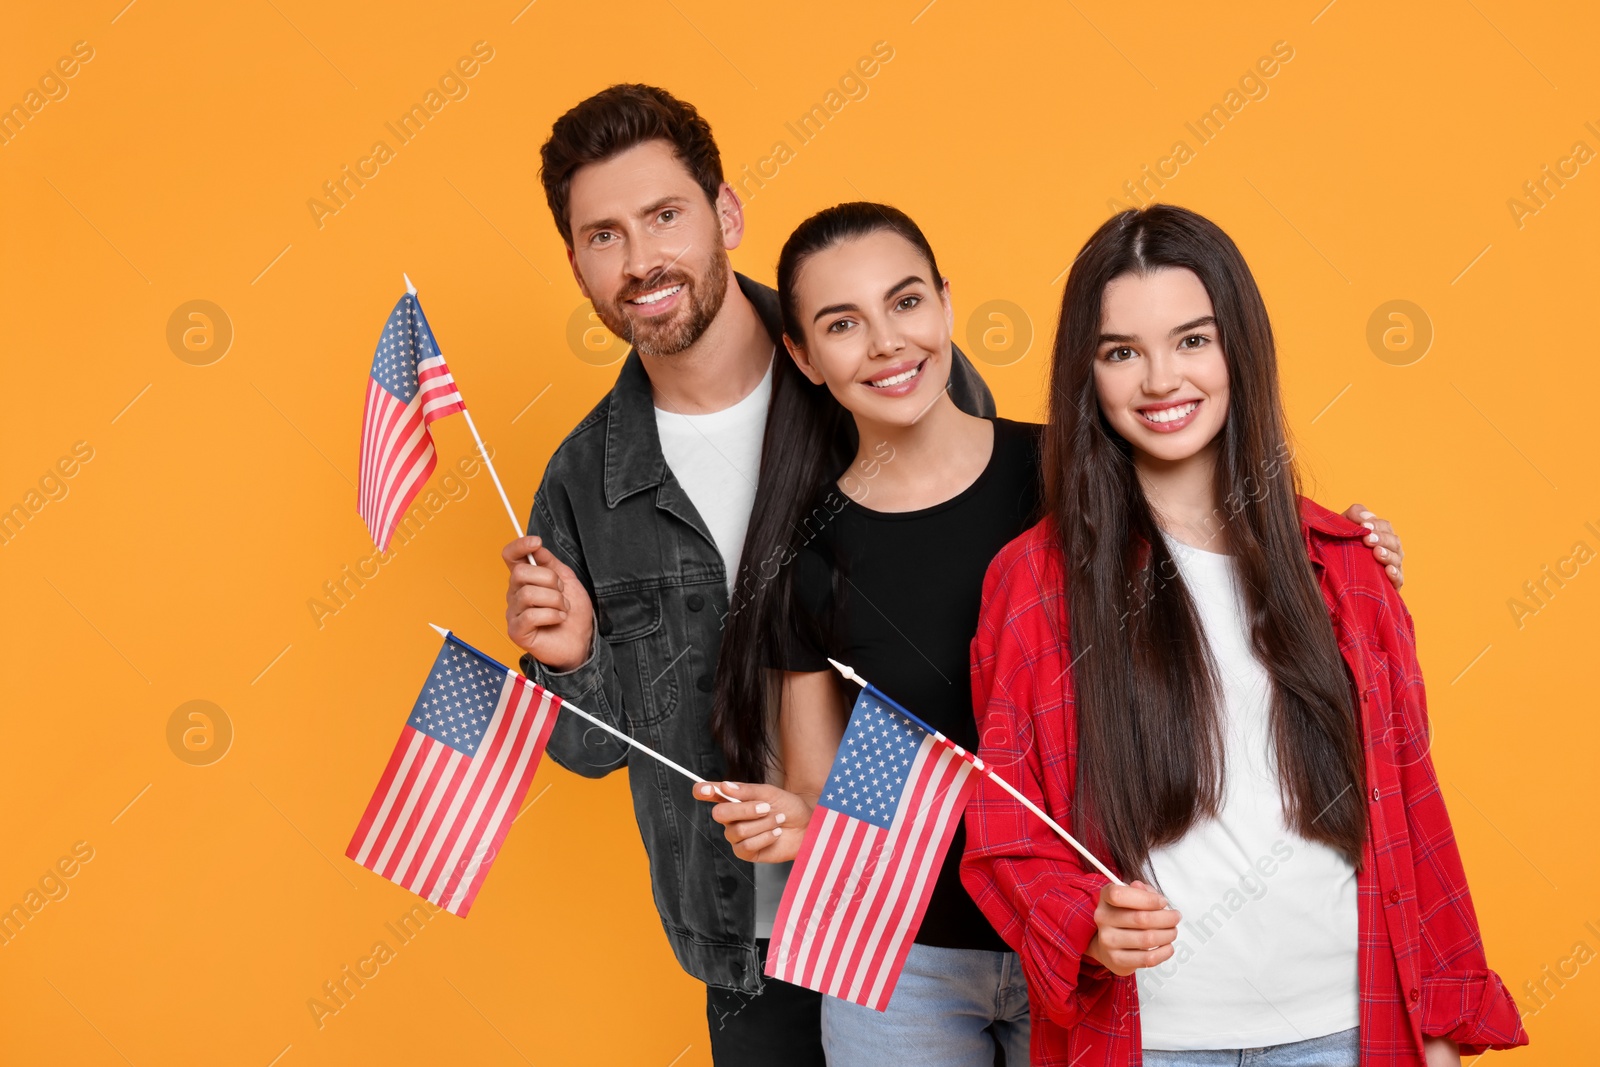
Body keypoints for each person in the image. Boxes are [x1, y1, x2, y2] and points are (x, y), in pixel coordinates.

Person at [696, 202, 1408, 1066]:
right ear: (802, 356)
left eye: (906, 302)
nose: (886, 342)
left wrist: (1339, 559)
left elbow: (1227, 562)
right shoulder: (805, 552)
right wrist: (794, 821)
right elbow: (824, 796)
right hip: (908, 936)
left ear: (947, 304)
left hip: (1094, 935)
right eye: (843, 324)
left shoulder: (1076, 477)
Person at [960, 204, 1528, 1067]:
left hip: (1347, 1027)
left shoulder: (1343, 564)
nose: (1160, 380)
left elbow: (1411, 811)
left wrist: (1439, 1038)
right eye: (1122, 352)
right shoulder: (1033, 584)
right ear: (1087, 373)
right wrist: (1085, 924)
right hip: (1154, 1040)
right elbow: (1009, 826)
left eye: (1193, 340)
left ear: (1240, 349)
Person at [499, 85, 996, 1066]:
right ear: (575, 262)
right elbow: (586, 751)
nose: (641, 261)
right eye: (604, 236)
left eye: (664, 216)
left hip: (932, 902)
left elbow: (1022, 598)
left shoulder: (878, 372)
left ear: (726, 215)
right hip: (751, 942)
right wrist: (569, 659)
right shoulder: (585, 481)